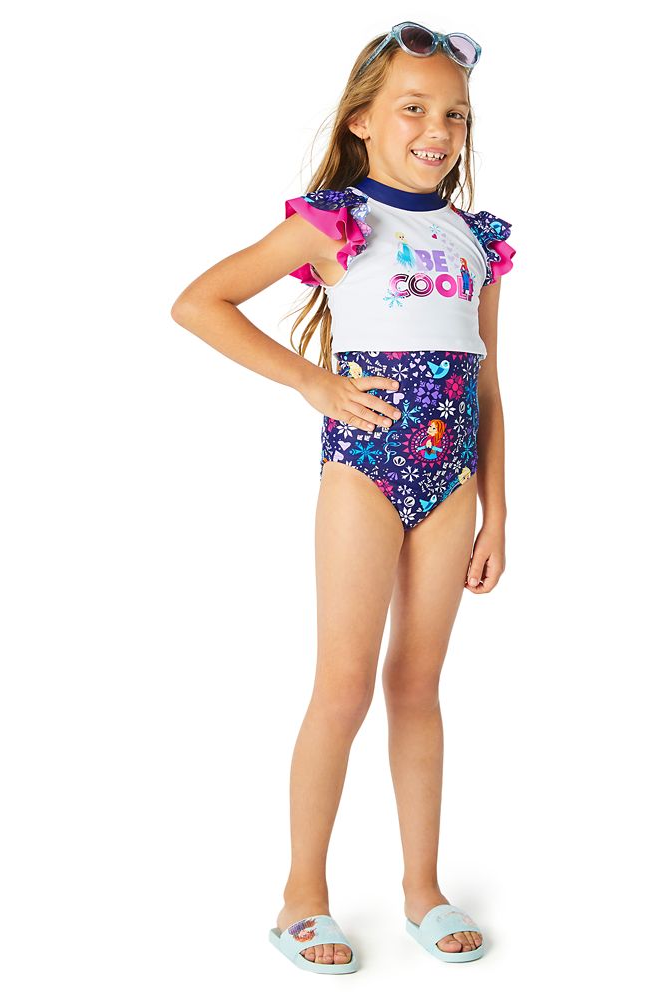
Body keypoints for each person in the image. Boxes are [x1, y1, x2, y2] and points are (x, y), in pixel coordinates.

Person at [170, 22, 515, 975]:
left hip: (450, 483)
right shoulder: (334, 224)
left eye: (454, 114)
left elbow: (487, 382)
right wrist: (313, 384)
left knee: (418, 686)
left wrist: (498, 510)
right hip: (363, 470)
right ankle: (301, 899)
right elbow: (199, 302)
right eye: (413, 108)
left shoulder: (476, 239)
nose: (437, 129)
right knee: (344, 686)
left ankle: (422, 891)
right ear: (362, 120)